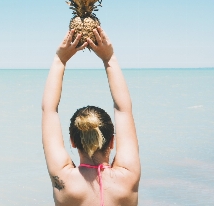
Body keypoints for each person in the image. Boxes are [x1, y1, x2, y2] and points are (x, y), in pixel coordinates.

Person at [41, 27, 141, 206]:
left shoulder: (64, 180)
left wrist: (60, 60)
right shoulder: (128, 177)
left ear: (73, 141)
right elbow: (123, 110)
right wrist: (109, 58)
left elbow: (49, 110)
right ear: (112, 141)